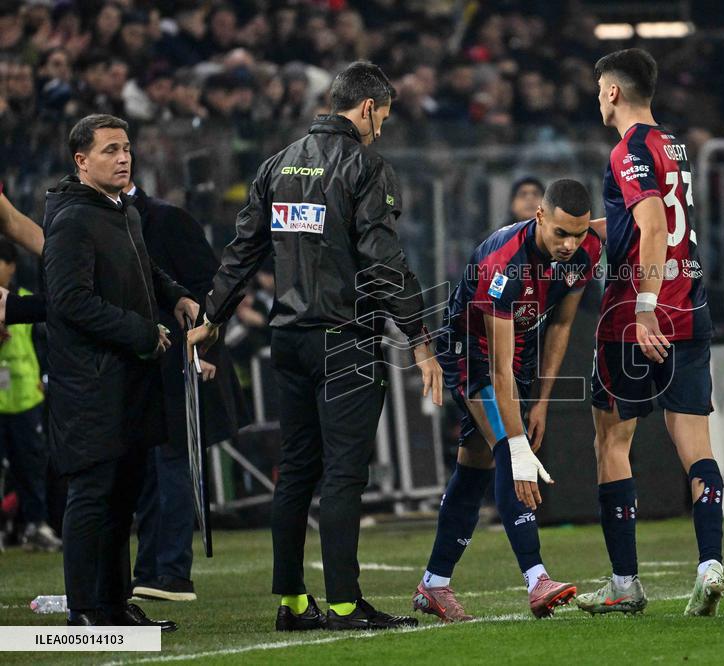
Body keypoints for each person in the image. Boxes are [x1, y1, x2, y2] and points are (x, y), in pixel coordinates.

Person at [187, 61, 444, 632]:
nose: (381, 129)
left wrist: (211, 316)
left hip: (289, 339)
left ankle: (294, 604)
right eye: (383, 117)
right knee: (345, 474)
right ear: (369, 108)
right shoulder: (365, 165)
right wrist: (420, 337)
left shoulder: (277, 164)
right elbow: (383, 260)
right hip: (345, 341)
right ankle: (348, 605)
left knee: (297, 471)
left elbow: (241, 250)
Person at [412, 178, 602, 622]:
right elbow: (496, 370)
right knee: (507, 450)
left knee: (473, 468)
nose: (570, 244)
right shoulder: (504, 264)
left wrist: (541, 403)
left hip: (517, 349)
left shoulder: (584, 250)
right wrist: (517, 443)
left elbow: (560, 327)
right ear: (539, 216)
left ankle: (434, 584)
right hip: (470, 352)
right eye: (560, 234)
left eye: (578, 234)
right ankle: (537, 579)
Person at [579, 48, 724, 617]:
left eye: (599, 90)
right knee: (697, 449)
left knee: (612, 443)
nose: (597, 99)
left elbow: (652, 224)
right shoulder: (673, 144)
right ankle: (710, 565)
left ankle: (624, 584)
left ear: (612, 92)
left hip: (633, 320)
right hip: (691, 307)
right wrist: (565, 232)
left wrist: (642, 309)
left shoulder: (628, 149)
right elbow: (642, 219)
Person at [42, 113, 199, 628]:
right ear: (81, 161)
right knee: (92, 496)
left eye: (126, 147)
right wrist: (139, 331)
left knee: (122, 495)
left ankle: (113, 605)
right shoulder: (70, 219)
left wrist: (172, 294)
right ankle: (84, 610)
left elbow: (142, 267)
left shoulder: (124, 212)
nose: (124, 157)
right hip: (90, 385)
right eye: (110, 150)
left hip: (130, 382)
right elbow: (68, 301)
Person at [128, 176, 250, 602]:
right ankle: (147, 573)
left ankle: (172, 572)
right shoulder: (110, 221)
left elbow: (213, 287)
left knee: (171, 464)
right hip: (136, 367)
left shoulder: (168, 220)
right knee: (147, 472)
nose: (121, 160)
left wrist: (205, 344)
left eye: (123, 150)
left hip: (177, 362)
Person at [0, 239, 61, 552]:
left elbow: (44, 343)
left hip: (26, 397)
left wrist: (44, 378)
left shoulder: (23, 301)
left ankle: (35, 525)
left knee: (32, 467)